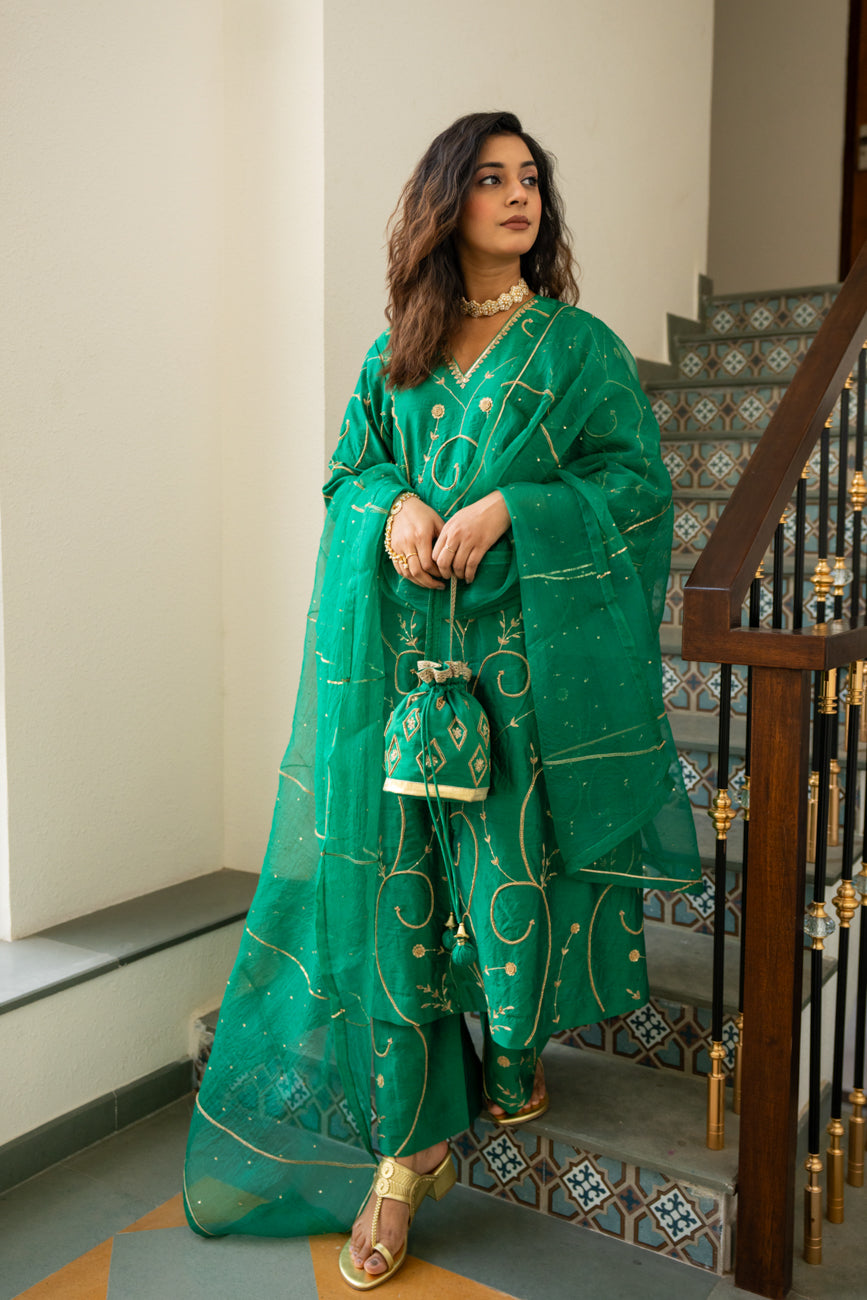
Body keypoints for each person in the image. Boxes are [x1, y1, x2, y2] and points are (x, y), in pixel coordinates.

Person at [182, 110, 700, 1289]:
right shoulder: (398, 355)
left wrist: (518, 507)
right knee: (402, 901)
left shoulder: (579, 349)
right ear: (446, 202)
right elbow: (348, 477)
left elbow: (634, 485)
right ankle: (407, 1154)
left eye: (532, 179)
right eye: (492, 178)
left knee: (509, 883)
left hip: (525, 680)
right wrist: (395, 509)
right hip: (404, 684)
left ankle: (513, 1051)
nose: (520, 196)